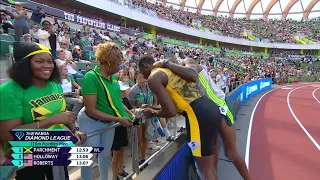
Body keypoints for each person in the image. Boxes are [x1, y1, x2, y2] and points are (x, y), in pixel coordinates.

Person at [153, 58, 251, 180]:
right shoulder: (178, 79)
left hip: (220, 106)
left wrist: (166, 63)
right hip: (208, 113)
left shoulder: (188, 62)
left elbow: (193, 75)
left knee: (231, 154)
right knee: (211, 159)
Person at [0, 42, 86, 179]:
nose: (47, 66)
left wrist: (74, 129)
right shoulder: (9, 91)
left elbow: (64, 114)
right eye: (39, 61)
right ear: (25, 64)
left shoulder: (54, 84)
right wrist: (51, 120)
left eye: (50, 61)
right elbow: (9, 135)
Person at [139, 56, 222, 180]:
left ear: (145, 65)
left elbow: (170, 111)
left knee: (204, 169)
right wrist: (152, 108)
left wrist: (152, 113)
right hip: (209, 108)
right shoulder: (168, 70)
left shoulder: (153, 78)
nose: (143, 76)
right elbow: (174, 103)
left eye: (140, 71)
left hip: (197, 116)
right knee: (209, 166)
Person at [78, 42, 134, 180]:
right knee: (89, 159)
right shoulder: (91, 77)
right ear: (109, 62)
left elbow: (116, 102)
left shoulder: (113, 78)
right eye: (117, 64)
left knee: (104, 155)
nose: (118, 68)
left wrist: (129, 113)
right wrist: (118, 119)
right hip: (91, 122)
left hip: (108, 122)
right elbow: (91, 110)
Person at [111, 81, 131, 180]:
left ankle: (121, 170)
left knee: (122, 150)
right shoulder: (112, 103)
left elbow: (129, 111)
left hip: (123, 129)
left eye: (124, 91)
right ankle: (114, 176)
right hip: (115, 131)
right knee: (115, 154)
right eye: (121, 91)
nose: (124, 92)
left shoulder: (125, 100)